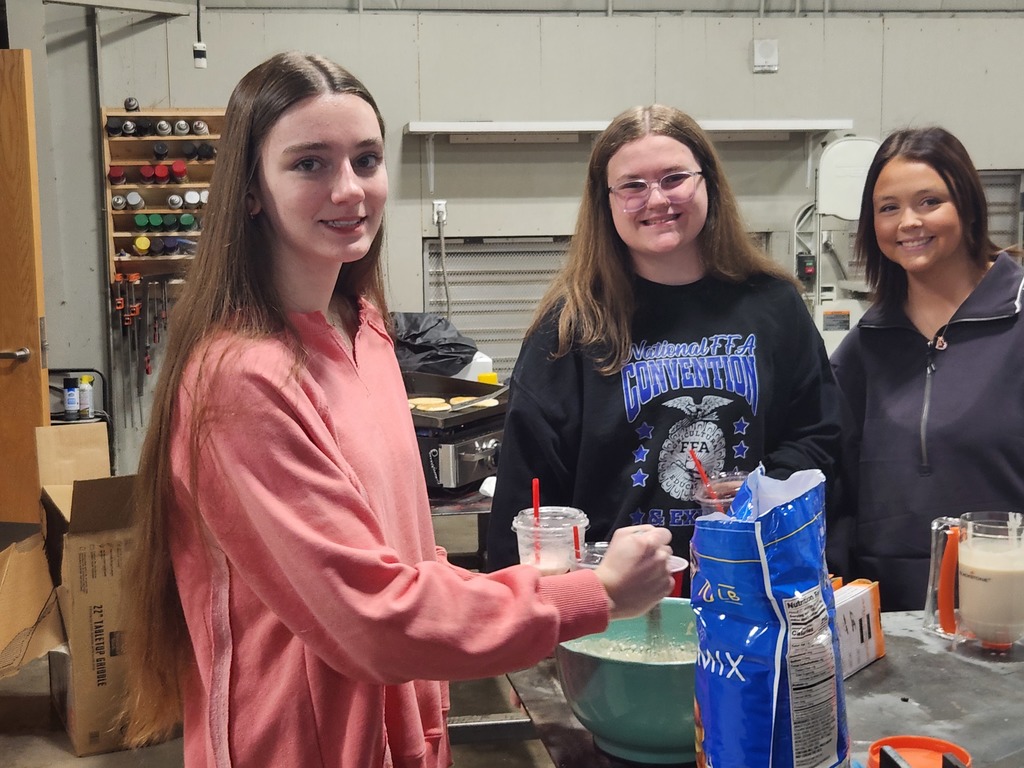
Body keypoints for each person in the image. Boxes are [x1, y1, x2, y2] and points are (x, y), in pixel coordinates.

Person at [120, 52, 674, 768]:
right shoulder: (243, 379)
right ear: (252, 189)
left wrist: (539, 591)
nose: (349, 189)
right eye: (310, 164)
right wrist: (591, 594)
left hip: (401, 728)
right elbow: (372, 617)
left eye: (367, 159)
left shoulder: (366, 331)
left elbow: (411, 563)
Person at [487, 104, 841, 573]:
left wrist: (760, 490)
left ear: (707, 182)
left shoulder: (774, 306)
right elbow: (527, 492)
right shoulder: (570, 326)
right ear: (606, 201)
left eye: (674, 178)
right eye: (633, 185)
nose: (656, 200)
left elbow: (818, 434)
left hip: (748, 582)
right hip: (614, 602)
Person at [828, 126, 1024, 611]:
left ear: (968, 205)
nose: (908, 222)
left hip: (1007, 612)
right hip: (894, 619)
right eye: (888, 208)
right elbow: (835, 490)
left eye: (929, 201)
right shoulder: (863, 351)